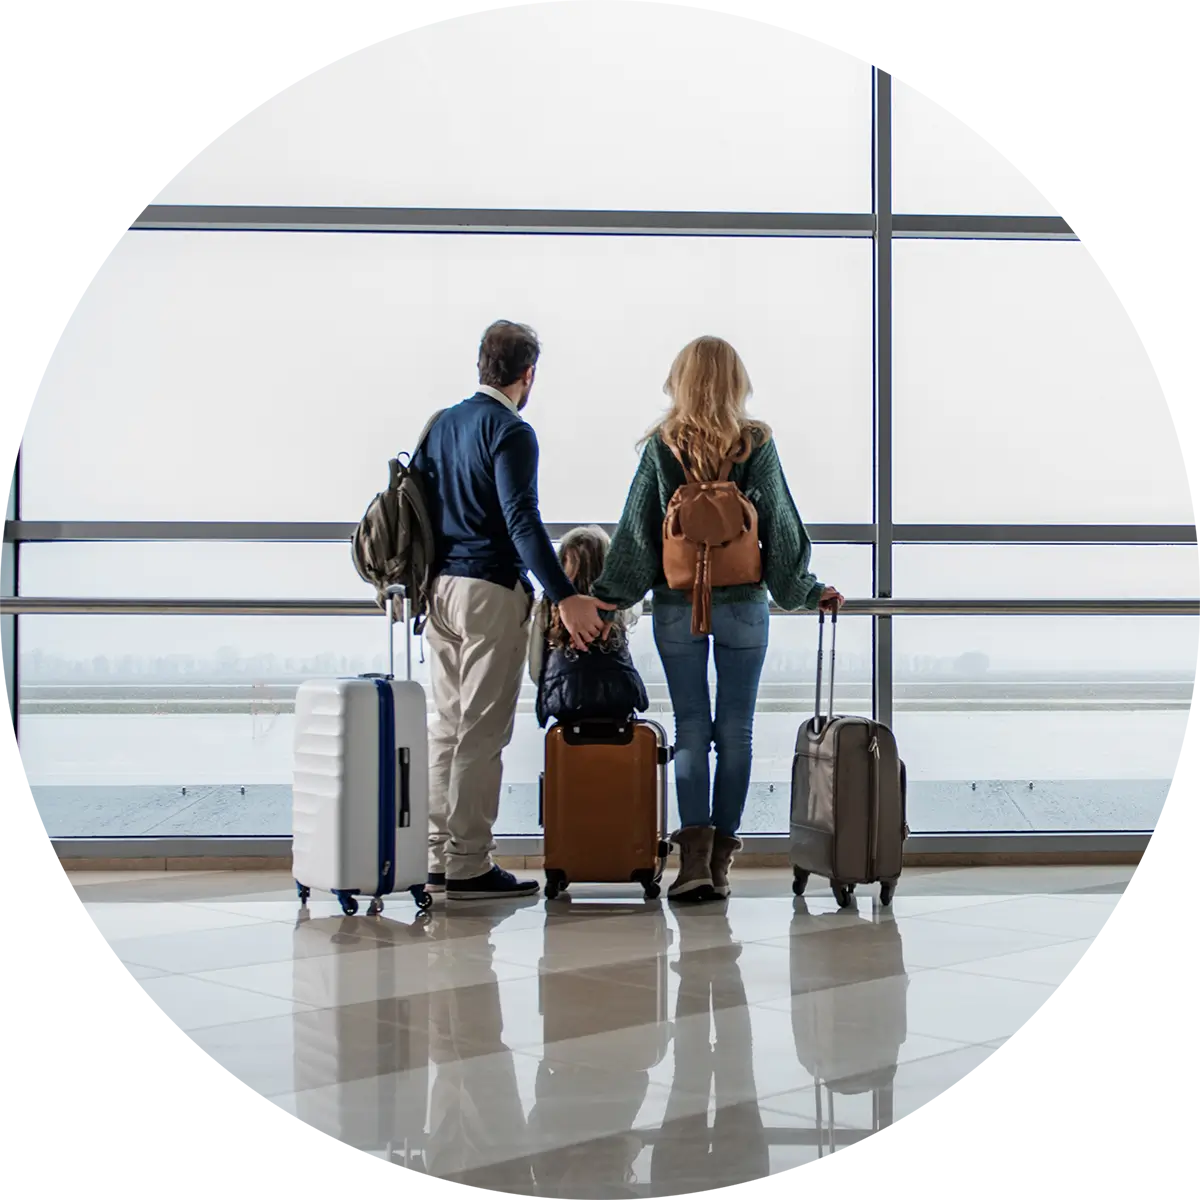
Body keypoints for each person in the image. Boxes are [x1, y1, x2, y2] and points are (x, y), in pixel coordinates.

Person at [592, 336, 843, 903]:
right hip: (745, 608)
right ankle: (723, 859)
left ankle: (694, 865)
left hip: (679, 607)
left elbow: (637, 534)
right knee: (736, 733)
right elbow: (779, 526)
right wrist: (806, 590)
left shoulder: (662, 446)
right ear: (737, 381)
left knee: (690, 731)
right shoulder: (755, 444)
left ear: (679, 380)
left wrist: (607, 596)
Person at [414, 321, 613, 901]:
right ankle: (470, 862)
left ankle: (435, 856)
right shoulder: (511, 431)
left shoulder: (440, 426)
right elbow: (521, 523)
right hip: (487, 594)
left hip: (440, 594)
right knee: (480, 733)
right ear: (528, 376)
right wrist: (564, 594)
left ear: (482, 365)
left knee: (446, 730)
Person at [527, 525, 647, 728]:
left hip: (564, 701)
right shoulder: (615, 605)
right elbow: (635, 610)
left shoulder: (548, 607)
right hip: (618, 698)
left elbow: (535, 668)